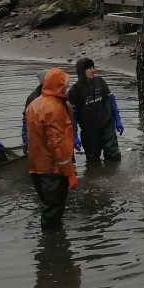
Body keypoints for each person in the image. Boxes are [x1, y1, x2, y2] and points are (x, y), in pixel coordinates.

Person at [26, 68, 78, 227]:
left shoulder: (35, 103)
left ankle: (50, 242)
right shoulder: (53, 109)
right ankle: (53, 246)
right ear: (58, 87)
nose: (67, 89)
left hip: (36, 167)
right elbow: (57, 144)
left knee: (47, 205)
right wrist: (70, 174)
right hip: (53, 169)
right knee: (53, 209)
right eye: (65, 86)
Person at [67, 57, 124, 163]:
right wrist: (74, 135)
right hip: (89, 132)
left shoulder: (100, 82)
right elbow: (72, 116)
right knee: (93, 163)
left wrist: (117, 118)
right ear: (81, 71)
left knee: (114, 158)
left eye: (93, 67)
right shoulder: (74, 91)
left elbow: (111, 100)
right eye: (89, 68)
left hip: (107, 126)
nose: (93, 70)